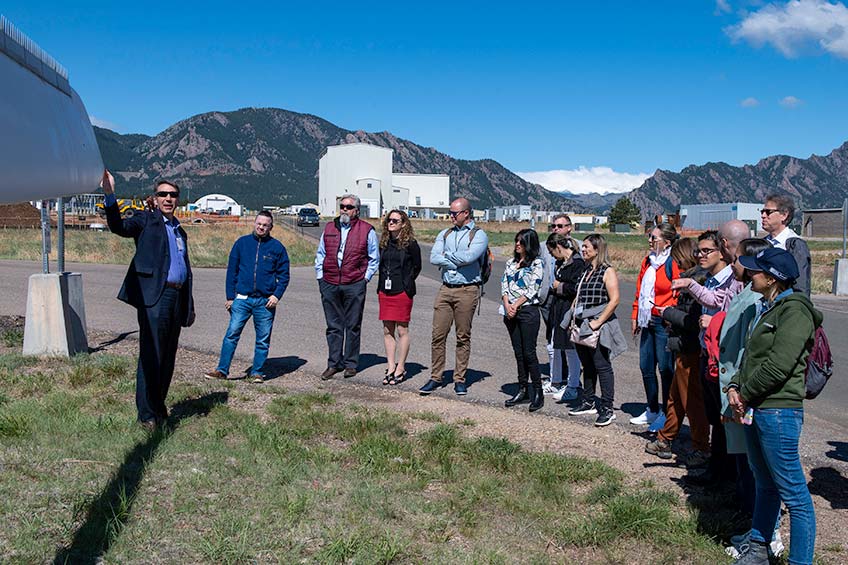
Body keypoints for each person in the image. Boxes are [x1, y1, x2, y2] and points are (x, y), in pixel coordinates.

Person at [727, 247, 821, 565]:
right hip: (758, 406)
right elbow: (752, 356)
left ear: (771, 278)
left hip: (778, 411)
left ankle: (800, 561)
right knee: (765, 484)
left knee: (795, 495)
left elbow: (779, 365)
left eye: (756, 271)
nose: (749, 275)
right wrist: (734, 386)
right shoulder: (768, 307)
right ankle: (757, 550)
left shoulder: (795, 311)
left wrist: (744, 394)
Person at [100, 170, 195, 431]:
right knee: (151, 355)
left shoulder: (179, 230)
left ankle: (159, 406)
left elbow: (184, 268)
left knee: (168, 357)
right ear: (155, 197)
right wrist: (110, 195)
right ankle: (146, 415)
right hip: (155, 296)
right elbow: (119, 226)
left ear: (178, 200)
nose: (168, 198)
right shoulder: (145, 220)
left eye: (173, 195)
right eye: (163, 194)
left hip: (177, 297)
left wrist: (189, 304)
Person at [717, 238, 786, 561]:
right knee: (752, 468)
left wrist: (738, 394)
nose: (735, 264)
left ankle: (769, 535)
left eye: (741, 260)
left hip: (750, 398)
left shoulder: (760, 301)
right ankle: (759, 530)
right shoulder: (751, 295)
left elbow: (750, 352)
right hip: (738, 394)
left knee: (761, 471)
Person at [204, 211, 290, 383]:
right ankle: (222, 370)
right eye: (259, 223)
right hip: (242, 299)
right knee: (232, 334)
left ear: (271, 227)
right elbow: (232, 272)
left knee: (263, 339)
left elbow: (284, 275)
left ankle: (257, 372)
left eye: (265, 225)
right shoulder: (241, 244)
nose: (261, 227)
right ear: (254, 223)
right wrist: (230, 297)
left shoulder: (277, 247)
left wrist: (276, 295)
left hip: (265, 302)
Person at [645, 238, 710, 464]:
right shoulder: (693, 277)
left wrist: (668, 314)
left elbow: (694, 320)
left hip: (690, 347)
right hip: (683, 346)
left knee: (691, 400)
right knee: (675, 397)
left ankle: (701, 446)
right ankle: (666, 437)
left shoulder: (696, 280)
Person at [420, 197, 489, 397]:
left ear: (466, 213)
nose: (450, 216)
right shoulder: (445, 233)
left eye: (454, 213)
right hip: (445, 288)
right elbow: (433, 257)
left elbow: (470, 258)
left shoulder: (478, 235)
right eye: (450, 212)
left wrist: (447, 257)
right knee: (437, 335)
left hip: (467, 290)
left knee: (462, 336)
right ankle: (436, 377)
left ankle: (460, 379)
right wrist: (454, 261)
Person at [315, 194, 380, 380]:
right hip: (330, 282)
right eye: (342, 206)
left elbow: (373, 258)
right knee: (333, 326)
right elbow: (321, 253)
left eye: (349, 207)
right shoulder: (329, 228)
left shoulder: (367, 230)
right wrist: (321, 277)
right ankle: (334, 363)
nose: (344, 209)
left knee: (352, 325)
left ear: (357, 211)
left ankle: (351, 364)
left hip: (354, 284)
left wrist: (364, 279)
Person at [567, 234, 626, 427]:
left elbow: (614, 299)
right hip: (582, 323)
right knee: (587, 364)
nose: (583, 250)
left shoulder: (607, 271)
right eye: (582, 247)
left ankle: (607, 408)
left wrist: (598, 322)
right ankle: (588, 400)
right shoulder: (586, 271)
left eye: (586, 247)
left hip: (598, 325)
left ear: (597, 249)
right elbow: (578, 297)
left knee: (602, 365)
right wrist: (572, 319)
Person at [630, 223, 680, 429]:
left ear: (667, 243)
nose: (650, 241)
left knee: (666, 368)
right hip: (646, 318)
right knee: (646, 366)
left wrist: (669, 313)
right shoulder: (647, 262)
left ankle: (668, 414)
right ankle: (652, 408)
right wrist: (635, 315)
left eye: (655, 238)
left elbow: (677, 292)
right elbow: (639, 290)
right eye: (650, 237)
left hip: (663, 321)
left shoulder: (672, 263)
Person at [502, 229, 546, 411]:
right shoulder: (510, 263)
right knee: (518, 352)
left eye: (521, 241)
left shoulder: (537, 264)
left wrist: (516, 305)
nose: (517, 244)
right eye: (516, 240)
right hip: (510, 312)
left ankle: (538, 391)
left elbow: (532, 288)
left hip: (527, 311)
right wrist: (507, 305)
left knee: (529, 352)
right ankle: (523, 389)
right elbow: (504, 284)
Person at [376, 210, 422, 385]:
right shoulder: (384, 242)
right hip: (385, 291)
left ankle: (401, 367)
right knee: (387, 330)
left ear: (404, 223)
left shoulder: (411, 244)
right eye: (389, 219)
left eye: (395, 220)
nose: (391, 222)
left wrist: (406, 282)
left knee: (402, 330)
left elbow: (417, 267)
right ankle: (391, 366)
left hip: (402, 292)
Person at [544, 232, 586, 402]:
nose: (551, 255)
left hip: (569, 309)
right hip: (558, 308)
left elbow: (577, 287)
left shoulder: (577, 263)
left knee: (570, 349)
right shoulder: (562, 263)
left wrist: (559, 286)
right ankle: (556, 380)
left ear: (558, 247)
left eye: (551, 251)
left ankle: (573, 385)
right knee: (555, 345)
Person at [541, 214, 575, 396]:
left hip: (567, 303)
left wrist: (560, 286)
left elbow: (577, 282)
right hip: (549, 300)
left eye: (560, 225)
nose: (556, 228)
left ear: (569, 227)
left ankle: (571, 381)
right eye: (553, 225)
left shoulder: (577, 250)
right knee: (553, 341)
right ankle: (557, 378)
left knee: (568, 344)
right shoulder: (544, 247)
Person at [761, 194, 811, 296]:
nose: (763, 216)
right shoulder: (763, 243)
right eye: (762, 212)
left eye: (768, 212)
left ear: (784, 215)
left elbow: (800, 284)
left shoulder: (795, 245)